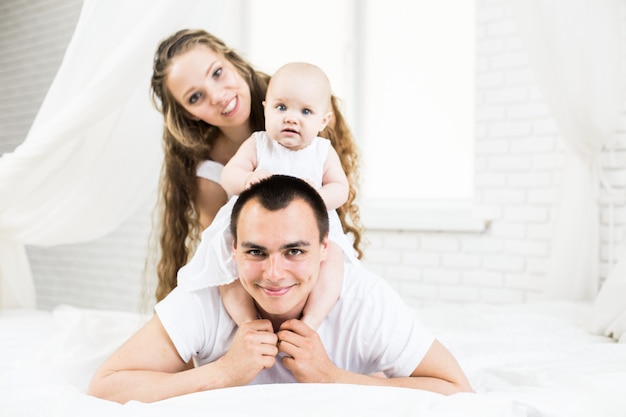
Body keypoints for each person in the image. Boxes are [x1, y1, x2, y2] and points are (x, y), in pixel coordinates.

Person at [88, 175, 473, 403]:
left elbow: (457, 390)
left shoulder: (364, 300)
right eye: (256, 251)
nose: (274, 273)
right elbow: (106, 386)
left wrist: (330, 377)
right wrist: (224, 373)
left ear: (324, 249)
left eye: (294, 251)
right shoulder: (206, 294)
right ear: (233, 250)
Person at [150, 29, 363, 302]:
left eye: (217, 73)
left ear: (233, 61)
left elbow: (335, 189)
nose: (216, 95)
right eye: (195, 97)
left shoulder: (300, 104)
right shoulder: (210, 174)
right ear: (187, 114)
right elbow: (227, 257)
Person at [177, 62, 355, 330]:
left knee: (334, 261)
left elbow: (340, 188)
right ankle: (247, 322)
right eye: (281, 107)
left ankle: (311, 321)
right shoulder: (259, 144)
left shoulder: (322, 152)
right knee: (227, 261)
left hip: (308, 229)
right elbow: (229, 175)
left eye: (306, 111)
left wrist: (318, 197)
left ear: (323, 121)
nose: (291, 118)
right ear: (266, 109)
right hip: (254, 229)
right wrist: (247, 179)